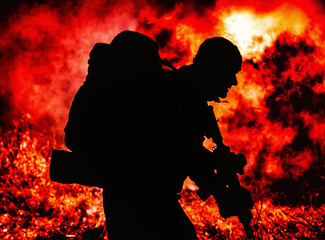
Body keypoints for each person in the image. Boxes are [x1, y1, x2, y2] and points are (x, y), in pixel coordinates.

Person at [62, 31, 242, 239]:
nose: (233, 82)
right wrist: (220, 190)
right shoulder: (179, 95)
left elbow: (192, 146)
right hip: (140, 196)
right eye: (230, 73)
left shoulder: (185, 93)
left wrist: (218, 159)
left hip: (133, 193)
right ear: (214, 70)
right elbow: (185, 154)